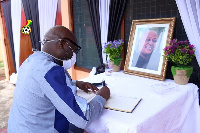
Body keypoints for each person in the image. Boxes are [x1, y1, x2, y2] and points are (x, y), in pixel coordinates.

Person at [8, 25, 110, 133]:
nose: (73, 55)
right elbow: (83, 118)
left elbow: (42, 88)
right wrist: (102, 96)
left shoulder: (32, 60)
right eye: (74, 50)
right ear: (62, 44)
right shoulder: (50, 71)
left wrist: (74, 83)